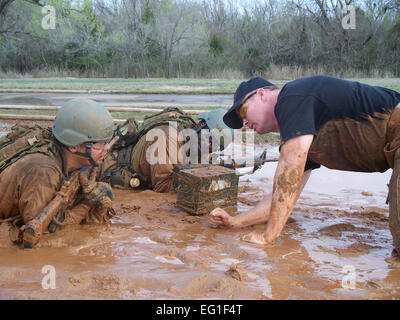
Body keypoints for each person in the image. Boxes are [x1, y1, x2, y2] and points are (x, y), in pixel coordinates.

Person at [209, 75, 400, 254]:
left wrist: (269, 236)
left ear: (261, 94)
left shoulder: (291, 96)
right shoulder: (303, 130)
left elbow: (290, 165)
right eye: (239, 119)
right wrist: (235, 222)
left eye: (243, 111)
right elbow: (281, 196)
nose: (243, 122)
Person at [0, 98, 116, 245]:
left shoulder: (83, 159)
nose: (106, 149)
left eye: (107, 142)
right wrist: (86, 205)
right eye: (99, 144)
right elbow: (40, 236)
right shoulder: (43, 172)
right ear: (74, 145)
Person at [101, 108, 234, 193]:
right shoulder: (168, 137)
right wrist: (200, 185)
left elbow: (195, 169)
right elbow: (162, 186)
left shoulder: (196, 145)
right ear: (200, 125)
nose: (208, 144)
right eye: (208, 136)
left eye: (215, 144)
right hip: (109, 168)